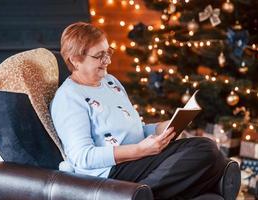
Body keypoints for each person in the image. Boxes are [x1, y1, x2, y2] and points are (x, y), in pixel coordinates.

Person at [51, 22, 230, 200]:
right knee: (205, 150)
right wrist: (139, 150)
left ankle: (146, 194)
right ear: (75, 60)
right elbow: (83, 157)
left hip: (138, 158)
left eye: (108, 53)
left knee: (208, 150)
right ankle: (133, 195)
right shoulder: (69, 97)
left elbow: (135, 130)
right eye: (99, 56)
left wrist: (163, 128)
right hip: (111, 171)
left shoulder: (110, 82)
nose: (108, 61)